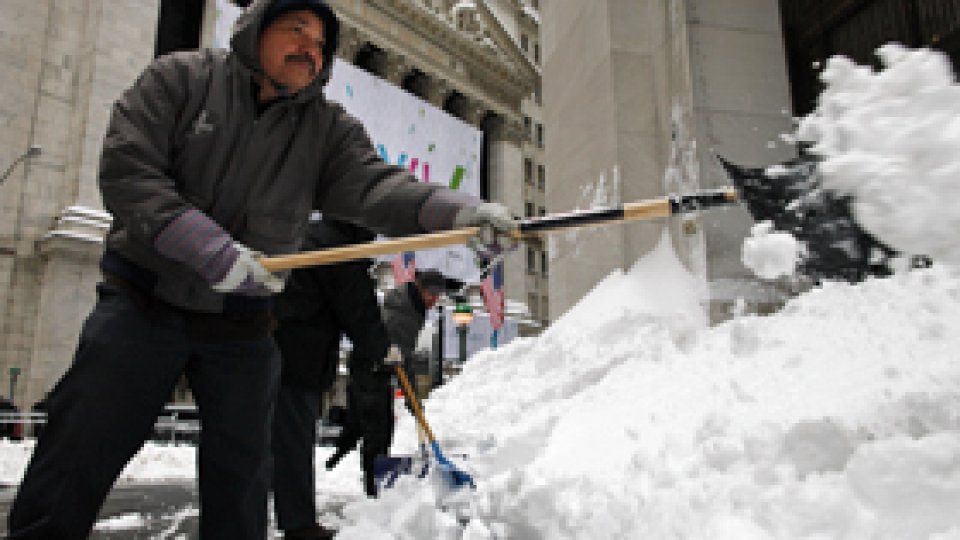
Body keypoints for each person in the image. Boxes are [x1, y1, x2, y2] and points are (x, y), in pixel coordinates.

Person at [6, 1, 514, 538]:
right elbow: (129, 171)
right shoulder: (180, 79)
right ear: (254, 31)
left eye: (321, 44)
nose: (310, 49)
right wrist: (209, 250)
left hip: (242, 324)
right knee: (79, 448)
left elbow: (377, 186)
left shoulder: (325, 130)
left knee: (244, 476)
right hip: (144, 304)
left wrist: (459, 213)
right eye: (296, 30)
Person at [271, 218, 393, 539]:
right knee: (293, 442)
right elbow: (359, 311)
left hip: (262, 347)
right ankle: (299, 525)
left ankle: (243, 521)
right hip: (297, 358)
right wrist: (384, 351)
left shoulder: (309, 234)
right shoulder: (341, 248)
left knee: (256, 443)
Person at [325, 268, 445, 478]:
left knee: (368, 422)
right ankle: (372, 481)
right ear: (419, 287)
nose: (434, 300)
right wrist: (412, 399)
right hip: (370, 369)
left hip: (372, 368)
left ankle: (344, 452)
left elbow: (400, 355)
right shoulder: (404, 313)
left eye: (437, 295)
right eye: (431, 294)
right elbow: (403, 357)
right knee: (379, 429)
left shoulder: (410, 304)